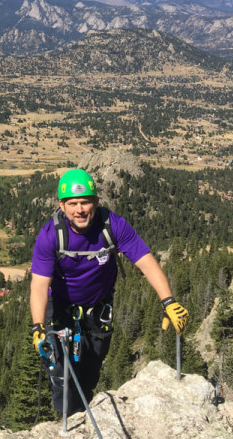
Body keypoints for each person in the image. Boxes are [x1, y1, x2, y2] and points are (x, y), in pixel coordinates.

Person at [29, 168, 189, 414]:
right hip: (60, 307)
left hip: (99, 307)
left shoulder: (112, 226)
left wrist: (168, 301)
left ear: (96, 202)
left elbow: (146, 261)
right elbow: (40, 285)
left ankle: (83, 415)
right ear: (62, 206)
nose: (79, 209)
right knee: (62, 377)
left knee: (90, 372)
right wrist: (38, 326)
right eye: (73, 203)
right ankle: (68, 423)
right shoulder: (50, 236)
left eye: (85, 202)